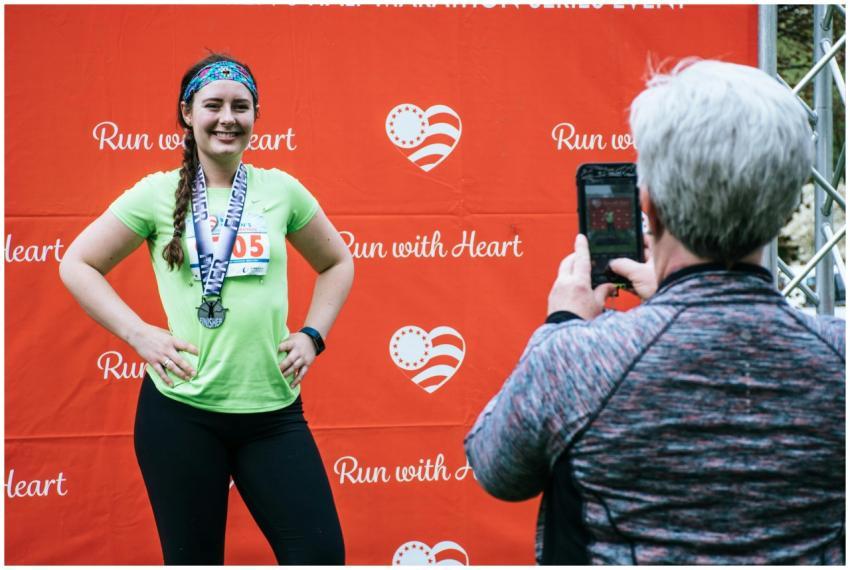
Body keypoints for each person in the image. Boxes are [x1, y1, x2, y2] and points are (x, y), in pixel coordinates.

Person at [464, 59, 845, 565]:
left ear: (650, 204)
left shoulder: (577, 359)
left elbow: (497, 469)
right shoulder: (838, 359)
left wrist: (561, 326)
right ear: (784, 207)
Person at [59, 53, 352, 565]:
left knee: (321, 555)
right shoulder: (156, 194)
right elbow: (77, 263)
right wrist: (138, 334)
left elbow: (337, 262)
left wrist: (313, 334)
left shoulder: (280, 190)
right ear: (187, 113)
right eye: (212, 105)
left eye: (241, 106)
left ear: (256, 115)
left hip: (273, 414)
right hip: (181, 416)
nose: (227, 118)